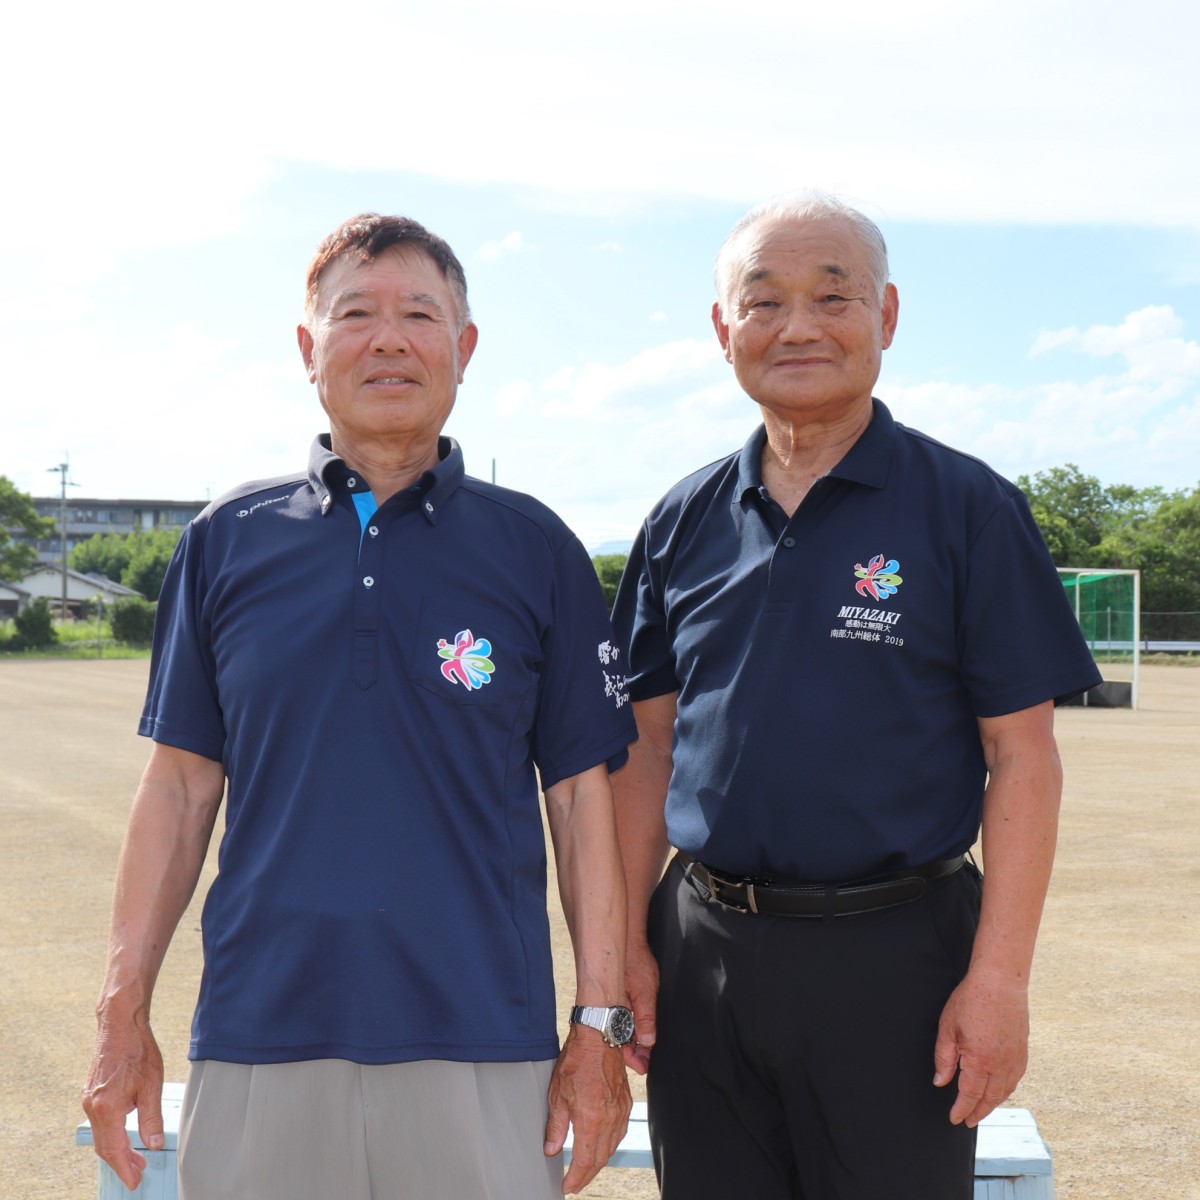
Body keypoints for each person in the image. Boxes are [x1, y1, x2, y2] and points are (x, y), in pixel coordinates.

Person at [82, 213, 638, 1200]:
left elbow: (582, 804)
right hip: (261, 1035)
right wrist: (121, 1014)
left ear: (463, 349)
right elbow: (176, 791)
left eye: (421, 313)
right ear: (309, 349)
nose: (389, 338)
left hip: (482, 1041)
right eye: (356, 314)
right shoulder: (224, 541)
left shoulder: (535, 549)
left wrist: (597, 1028)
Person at [609, 193, 1102, 1200]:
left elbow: (1024, 758)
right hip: (703, 951)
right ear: (722, 330)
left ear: (886, 316)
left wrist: (998, 980)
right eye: (764, 301)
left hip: (900, 964)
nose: (798, 326)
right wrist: (620, 945)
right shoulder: (680, 521)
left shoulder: (969, 508)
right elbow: (644, 749)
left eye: (833, 296)